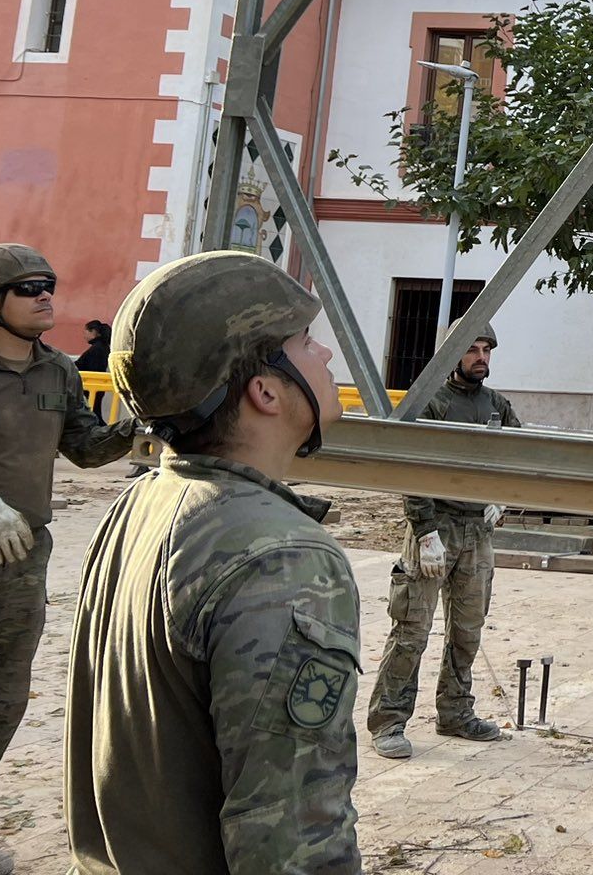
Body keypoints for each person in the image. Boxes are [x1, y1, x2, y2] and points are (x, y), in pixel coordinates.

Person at [65, 249, 359, 874]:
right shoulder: (282, 557)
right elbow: (288, 837)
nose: (326, 355)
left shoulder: (142, 501)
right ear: (265, 390)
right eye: (306, 341)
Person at [0, 245, 133, 875]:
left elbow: (83, 448)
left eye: (49, 285)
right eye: (30, 288)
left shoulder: (58, 372)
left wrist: (133, 432)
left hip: (23, 560)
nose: (47, 296)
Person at [366, 318, 519, 759]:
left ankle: (455, 712)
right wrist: (424, 528)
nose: (481, 358)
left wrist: (503, 498)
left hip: (477, 530)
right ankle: (389, 721)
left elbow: (521, 455)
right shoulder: (430, 401)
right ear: (450, 354)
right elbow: (413, 467)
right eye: (472, 349)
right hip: (435, 528)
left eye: (487, 349)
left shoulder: (497, 405)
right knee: (412, 629)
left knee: (467, 631)